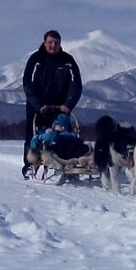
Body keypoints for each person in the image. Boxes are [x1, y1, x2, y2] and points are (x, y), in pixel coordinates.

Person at [22, 30, 82, 176]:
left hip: (61, 107)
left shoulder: (68, 61)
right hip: (37, 107)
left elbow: (76, 85)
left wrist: (68, 104)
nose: (53, 45)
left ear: (60, 43)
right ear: (44, 42)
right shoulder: (36, 59)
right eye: (50, 42)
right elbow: (27, 83)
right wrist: (38, 104)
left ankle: (66, 164)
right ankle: (30, 165)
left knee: (63, 135)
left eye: (56, 43)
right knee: (34, 135)